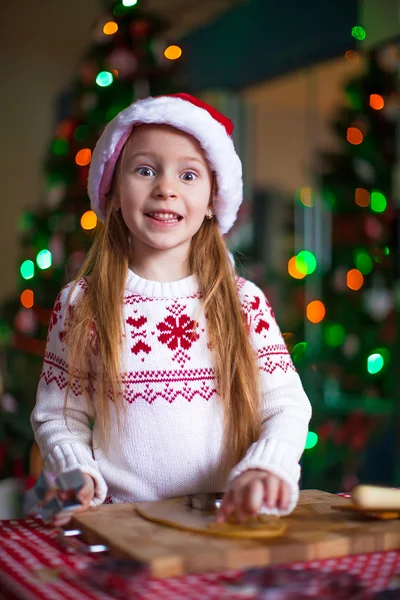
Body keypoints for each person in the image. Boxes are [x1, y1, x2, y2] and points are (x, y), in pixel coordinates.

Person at [31, 93, 312, 528]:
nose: (166, 188)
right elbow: (58, 415)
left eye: (188, 174)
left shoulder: (243, 302)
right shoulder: (81, 303)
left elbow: (286, 407)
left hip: (225, 523)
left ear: (212, 201)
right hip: (122, 526)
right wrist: (75, 473)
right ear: (113, 192)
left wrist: (266, 464)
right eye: (145, 170)